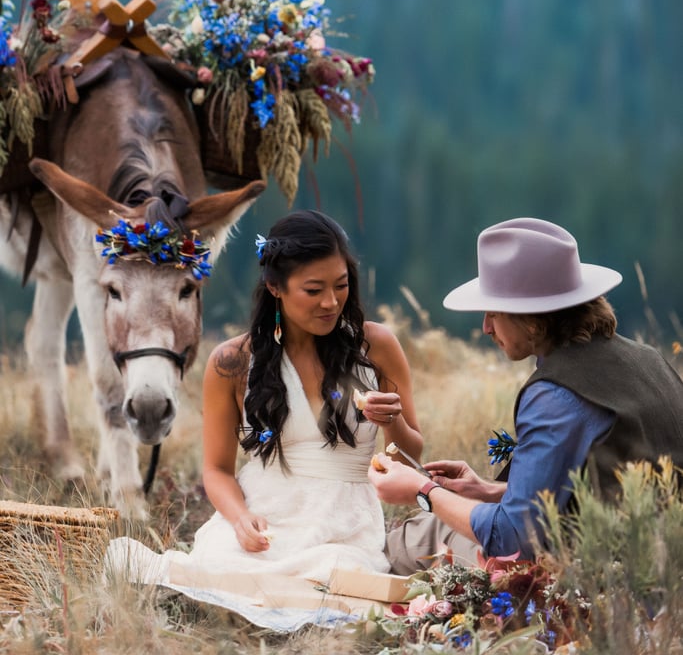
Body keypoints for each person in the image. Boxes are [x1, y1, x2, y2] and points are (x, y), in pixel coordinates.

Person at [107, 209, 423, 606]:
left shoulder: (376, 346)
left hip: (342, 526)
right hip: (262, 517)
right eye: (313, 290)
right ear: (275, 287)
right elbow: (217, 470)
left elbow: (410, 461)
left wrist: (392, 424)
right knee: (224, 576)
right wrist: (239, 518)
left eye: (341, 286)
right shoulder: (231, 362)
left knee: (330, 586)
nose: (331, 302)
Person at [372, 217, 683, 573]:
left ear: (531, 320)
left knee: (411, 542)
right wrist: (490, 490)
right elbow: (605, 488)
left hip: (604, 579)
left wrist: (421, 491)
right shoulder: (649, 359)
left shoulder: (555, 395)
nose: (486, 327)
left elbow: (513, 535)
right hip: (662, 565)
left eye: (493, 313)